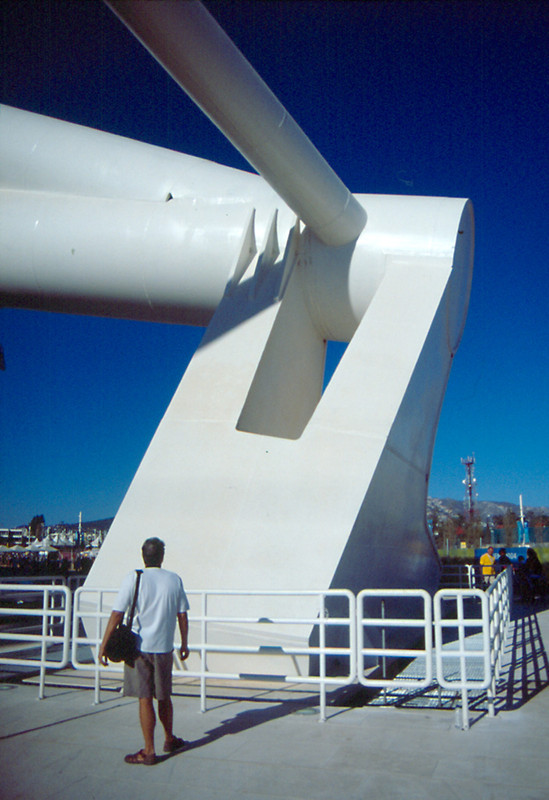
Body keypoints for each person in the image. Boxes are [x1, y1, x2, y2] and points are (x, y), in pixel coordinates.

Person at [99, 537, 190, 765]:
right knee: (164, 697)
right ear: (162, 556)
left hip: (138, 648)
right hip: (164, 647)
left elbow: (117, 614)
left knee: (144, 698)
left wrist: (103, 645)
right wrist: (185, 643)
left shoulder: (133, 578)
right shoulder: (174, 580)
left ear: (143, 555)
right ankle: (169, 739)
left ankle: (149, 751)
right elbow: (182, 615)